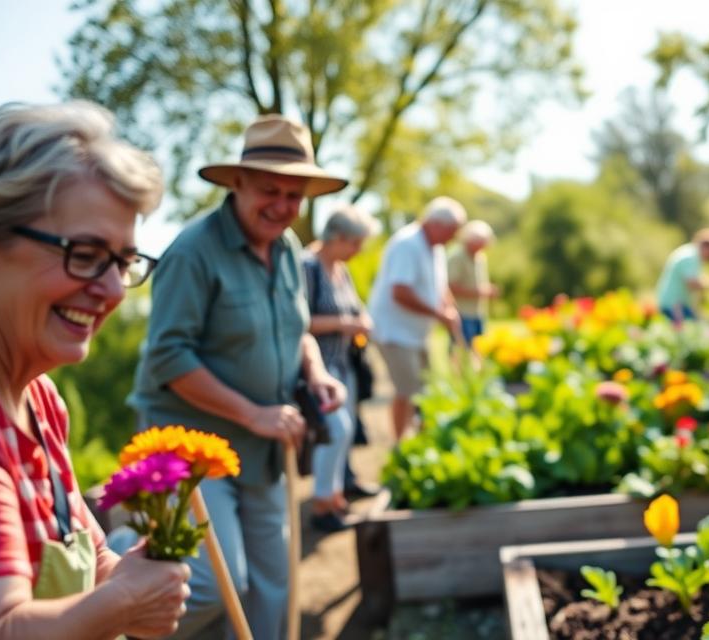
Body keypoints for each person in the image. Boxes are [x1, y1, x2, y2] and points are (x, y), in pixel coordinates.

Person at [129, 114, 347, 639]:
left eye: (295, 196)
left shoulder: (289, 250)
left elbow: (295, 330)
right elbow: (168, 357)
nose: (282, 205)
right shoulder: (192, 252)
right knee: (212, 585)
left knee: (275, 585)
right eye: (270, 190)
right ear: (237, 183)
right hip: (191, 449)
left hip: (266, 445)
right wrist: (254, 412)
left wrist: (316, 372)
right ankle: (117, 571)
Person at [0, 101, 190, 638]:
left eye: (124, 262)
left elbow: (91, 550)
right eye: (84, 253)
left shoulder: (42, 400)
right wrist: (123, 603)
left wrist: (132, 580)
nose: (109, 290)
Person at [303, 203, 379, 533]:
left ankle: (334, 497)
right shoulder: (308, 265)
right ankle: (321, 505)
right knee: (335, 430)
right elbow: (299, 321)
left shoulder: (340, 269)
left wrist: (360, 322)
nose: (359, 250)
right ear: (338, 237)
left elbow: (355, 308)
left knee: (344, 433)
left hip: (343, 363)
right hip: (317, 367)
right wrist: (346, 324)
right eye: (356, 243)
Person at [369, 197, 466, 440]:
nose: (453, 237)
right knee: (407, 390)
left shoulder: (437, 248)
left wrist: (448, 308)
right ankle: (400, 446)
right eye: (451, 231)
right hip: (395, 331)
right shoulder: (407, 244)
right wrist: (438, 314)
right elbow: (400, 291)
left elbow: (439, 286)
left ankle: (424, 441)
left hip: (417, 333)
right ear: (436, 224)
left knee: (425, 389)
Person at [655, 228, 709, 324]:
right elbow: (692, 283)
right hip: (672, 306)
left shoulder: (692, 254)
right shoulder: (690, 256)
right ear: (707, 247)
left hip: (678, 305)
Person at [447, 220, 499, 345]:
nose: (482, 247)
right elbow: (450, 287)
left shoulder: (480, 257)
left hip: (478, 312)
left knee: (478, 349)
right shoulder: (456, 257)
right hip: (461, 312)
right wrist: (480, 292)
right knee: (461, 349)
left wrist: (487, 290)